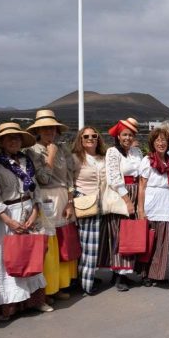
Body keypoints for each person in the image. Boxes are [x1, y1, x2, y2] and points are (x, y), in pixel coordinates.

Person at [0, 123, 49, 319]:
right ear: (2, 141)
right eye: (9, 138)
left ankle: (35, 301)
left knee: (31, 255)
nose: (13, 141)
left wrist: (35, 211)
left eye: (17, 138)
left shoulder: (26, 160)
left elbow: (35, 187)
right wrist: (8, 220)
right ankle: (10, 307)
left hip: (29, 211)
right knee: (10, 258)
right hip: (8, 214)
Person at [25, 109, 76, 305]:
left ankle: (58, 286)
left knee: (63, 243)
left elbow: (69, 176)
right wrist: (51, 156)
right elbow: (43, 178)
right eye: (45, 129)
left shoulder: (62, 149)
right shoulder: (33, 151)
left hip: (63, 198)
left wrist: (70, 201)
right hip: (46, 198)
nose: (49, 132)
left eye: (52, 129)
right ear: (38, 131)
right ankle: (45, 291)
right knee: (48, 247)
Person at [100, 117, 142, 292]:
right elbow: (114, 179)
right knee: (119, 235)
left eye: (130, 135)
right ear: (118, 136)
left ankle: (126, 271)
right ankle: (119, 275)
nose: (127, 138)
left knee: (131, 235)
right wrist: (127, 201)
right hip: (121, 195)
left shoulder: (137, 152)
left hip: (136, 191)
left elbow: (141, 174)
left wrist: (139, 200)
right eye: (124, 135)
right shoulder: (112, 152)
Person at [71, 126, 107, 295]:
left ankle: (86, 277)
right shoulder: (76, 159)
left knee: (93, 245)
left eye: (94, 135)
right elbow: (68, 182)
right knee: (89, 246)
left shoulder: (102, 158)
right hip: (85, 203)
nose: (91, 138)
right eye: (86, 136)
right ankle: (86, 283)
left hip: (101, 204)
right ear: (80, 139)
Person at [136, 127, 169, 285]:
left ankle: (157, 274)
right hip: (151, 203)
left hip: (166, 203)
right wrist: (141, 209)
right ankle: (145, 274)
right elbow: (142, 187)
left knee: (162, 242)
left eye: (164, 140)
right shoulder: (147, 161)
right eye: (158, 140)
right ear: (152, 143)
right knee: (149, 241)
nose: (161, 143)